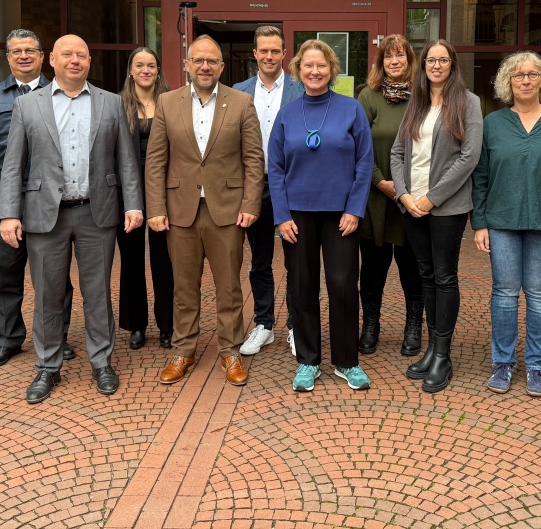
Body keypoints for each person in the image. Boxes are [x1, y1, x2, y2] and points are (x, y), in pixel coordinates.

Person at [0, 34, 143, 404]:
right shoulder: (28, 106)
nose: (74, 60)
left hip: (98, 212)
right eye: (67, 55)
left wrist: (134, 205)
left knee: (98, 294)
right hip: (45, 216)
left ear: (90, 61)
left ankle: (102, 362)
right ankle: (47, 367)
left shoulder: (111, 103)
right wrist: (8, 213)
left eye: (81, 54)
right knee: (47, 294)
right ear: (53, 61)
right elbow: (13, 165)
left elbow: (126, 160)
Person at [146, 35, 263, 387]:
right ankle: (184, 350)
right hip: (179, 209)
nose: (205, 66)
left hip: (227, 211)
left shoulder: (241, 103)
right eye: (198, 60)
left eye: (212, 61)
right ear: (186, 64)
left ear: (221, 66)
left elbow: (253, 159)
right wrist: (155, 206)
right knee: (183, 287)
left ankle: (230, 351)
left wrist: (251, 203)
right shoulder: (167, 103)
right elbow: (155, 161)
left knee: (229, 287)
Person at [0, 29, 75, 370]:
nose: (24, 56)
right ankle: (9, 338)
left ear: (43, 57)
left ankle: (58, 336)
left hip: (46, 195)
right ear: (8, 58)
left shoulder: (61, 95)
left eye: (30, 51)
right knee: (5, 270)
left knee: (54, 272)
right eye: (16, 51)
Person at [473, 52, 541, 397]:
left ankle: (536, 367)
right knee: (504, 295)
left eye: (532, 75)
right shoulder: (493, 123)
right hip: (501, 222)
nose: (525, 80)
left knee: (539, 295)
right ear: (508, 82)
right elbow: (479, 177)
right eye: (518, 75)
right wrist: (479, 222)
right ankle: (503, 363)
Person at [270, 39, 373, 392]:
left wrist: (355, 209)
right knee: (302, 287)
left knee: (343, 286)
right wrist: (281, 216)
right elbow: (276, 168)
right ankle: (308, 361)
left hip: (341, 215)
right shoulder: (287, 114)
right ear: (298, 71)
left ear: (332, 70)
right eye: (308, 66)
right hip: (297, 215)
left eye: (322, 65)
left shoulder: (351, 109)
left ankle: (346, 360)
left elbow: (364, 162)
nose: (315, 71)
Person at [390, 39, 482, 392]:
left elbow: (469, 157)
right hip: (412, 206)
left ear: (452, 64)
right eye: (431, 59)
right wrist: (405, 194)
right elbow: (398, 153)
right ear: (424, 64)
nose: (437, 65)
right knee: (425, 275)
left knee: (444, 277)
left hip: (446, 208)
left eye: (443, 59)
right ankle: (431, 348)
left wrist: (431, 198)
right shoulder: (417, 103)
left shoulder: (468, 103)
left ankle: (443, 355)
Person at [233, 25, 300, 358]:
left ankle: (294, 326)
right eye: (264, 50)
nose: (270, 56)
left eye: (276, 50)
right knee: (259, 261)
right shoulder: (237, 91)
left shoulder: (302, 90)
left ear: (284, 53)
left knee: (296, 261)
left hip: (293, 188)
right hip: (254, 187)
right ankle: (264, 324)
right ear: (255, 53)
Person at [357, 35, 423, 356]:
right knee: (372, 267)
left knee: (412, 267)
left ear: (410, 60)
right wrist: (382, 183)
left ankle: (413, 325)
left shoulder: (423, 97)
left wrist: (408, 192)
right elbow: (357, 148)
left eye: (400, 56)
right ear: (380, 62)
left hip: (413, 200)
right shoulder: (367, 97)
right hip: (376, 196)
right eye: (388, 57)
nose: (394, 62)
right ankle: (370, 324)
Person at [116, 47, 174, 350]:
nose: (146, 70)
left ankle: (168, 324)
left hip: (165, 189)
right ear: (130, 70)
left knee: (165, 259)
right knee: (132, 259)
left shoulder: (171, 102)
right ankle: (136, 325)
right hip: (127, 191)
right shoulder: (117, 104)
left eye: (151, 65)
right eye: (139, 65)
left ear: (158, 70)